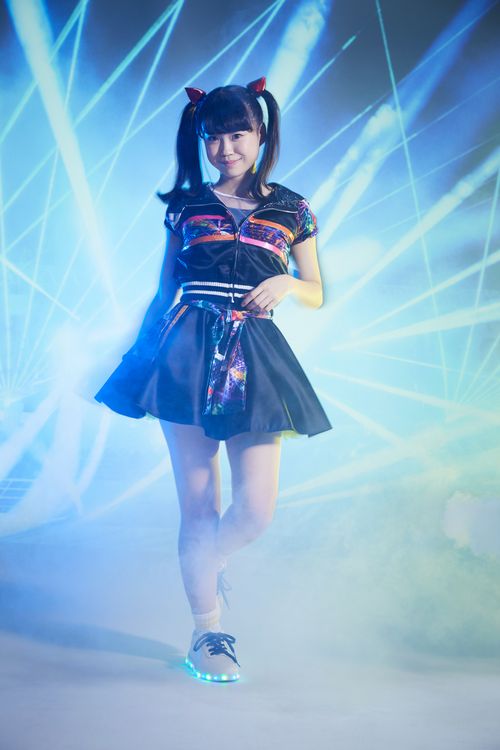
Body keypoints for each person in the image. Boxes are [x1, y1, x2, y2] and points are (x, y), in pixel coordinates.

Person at [94, 76, 332, 683]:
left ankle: (206, 560)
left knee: (254, 511)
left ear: (261, 134)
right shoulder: (186, 206)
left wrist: (288, 284)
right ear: (201, 140)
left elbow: (316, 290)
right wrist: (140, 361)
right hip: (185, 353)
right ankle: (208, 632)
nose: (225, 148)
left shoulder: (294, 209)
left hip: (256, 355)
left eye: (237, 134)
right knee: (199, 505)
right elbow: (164, 291)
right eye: (213, 137)